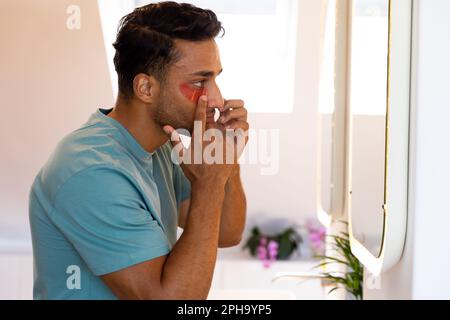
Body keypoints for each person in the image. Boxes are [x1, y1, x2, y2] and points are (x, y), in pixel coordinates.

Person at [29, 1, 248, 300]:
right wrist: (209, 185)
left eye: (215, 78)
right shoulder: (91, 170)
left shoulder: (159, 148)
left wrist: (225, 157)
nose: (217, 100)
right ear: (145, 88)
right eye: (200, 81)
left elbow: (226, 232)